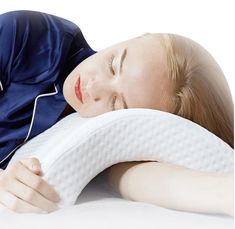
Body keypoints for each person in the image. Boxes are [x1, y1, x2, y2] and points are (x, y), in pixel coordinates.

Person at [0, 10, 233, 216]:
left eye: (117, 105)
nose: (92, 87)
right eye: (112, 64)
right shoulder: (32, 37)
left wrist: (224, 193)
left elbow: (143, 179)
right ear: (136, 37)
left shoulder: (104, 140)